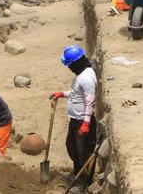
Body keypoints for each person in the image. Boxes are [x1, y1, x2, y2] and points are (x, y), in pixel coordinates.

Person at [50, 45, 97, 194]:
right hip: (75, 120)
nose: (69, 67)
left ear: (76, 63)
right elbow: (77, 93)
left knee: (84, 153)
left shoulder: (87, 77)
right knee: (72, 147)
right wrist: (62, 94)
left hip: (83, 121)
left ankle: (84, 183)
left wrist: (86, 123)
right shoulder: (81, 74)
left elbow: (90, 101)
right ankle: (77, 174)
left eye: (69, 65)